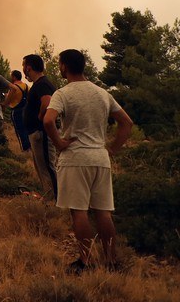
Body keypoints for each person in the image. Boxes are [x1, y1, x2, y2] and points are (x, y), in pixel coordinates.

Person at [43, 49, 134, 272]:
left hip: (76, 158)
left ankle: (87, 261)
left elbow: (48, 121)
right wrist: (111, 148)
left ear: (64, 66)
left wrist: (59, 143)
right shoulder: (102, 93)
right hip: (100, 158)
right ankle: (111, 261)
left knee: (79, 211)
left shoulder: (63, 93)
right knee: (103, 211)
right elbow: (127, 123)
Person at [22, 54, 58, 201]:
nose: (23, 69)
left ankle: (55, 199)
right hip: (37, 133)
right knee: (42, 167)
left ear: (28, 67)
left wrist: (40, 116)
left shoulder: (42, 84)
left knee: (47, 168)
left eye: (24, 65)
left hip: (41, 133)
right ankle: (49, 197)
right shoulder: (39, 84)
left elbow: (47, 102)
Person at [9, 70, 31, 152]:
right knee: (27, 129)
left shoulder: (13, 87)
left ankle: (25, 148)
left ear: (14, 77)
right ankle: (30, 147)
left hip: (16, 111)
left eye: (11, 76)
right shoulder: (26, 86)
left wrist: (4, 103)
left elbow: (9, 98)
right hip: (26, 110)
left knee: (20, 130)